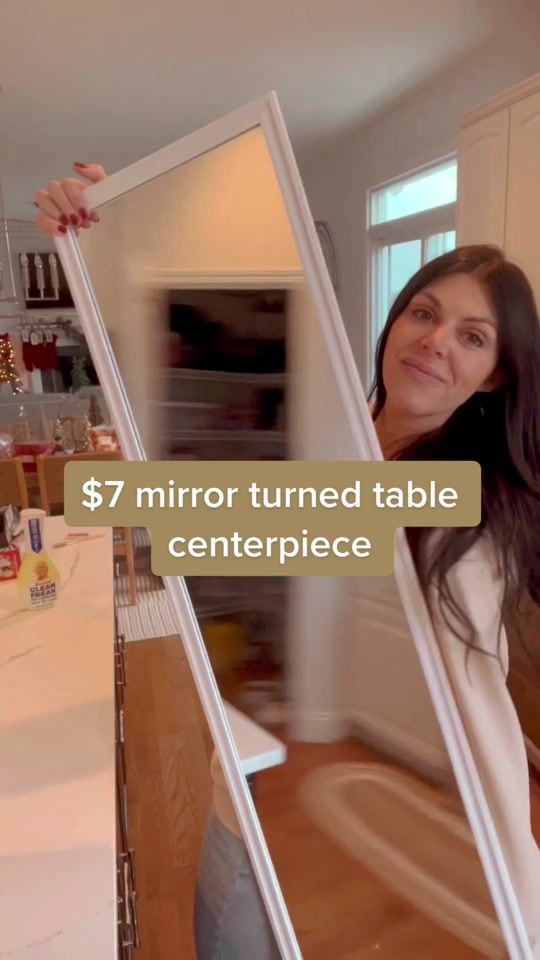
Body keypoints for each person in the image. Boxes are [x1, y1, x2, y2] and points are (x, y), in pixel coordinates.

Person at [34, 167, 540, 952]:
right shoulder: (329, 429)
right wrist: (94, 245)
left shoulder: (467, 501)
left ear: (497, 373)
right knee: (220, 932)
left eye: (472, 337)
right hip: (249, 765)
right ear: (395, 321)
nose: (436, 341)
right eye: (424, 312)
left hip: (408, 822)